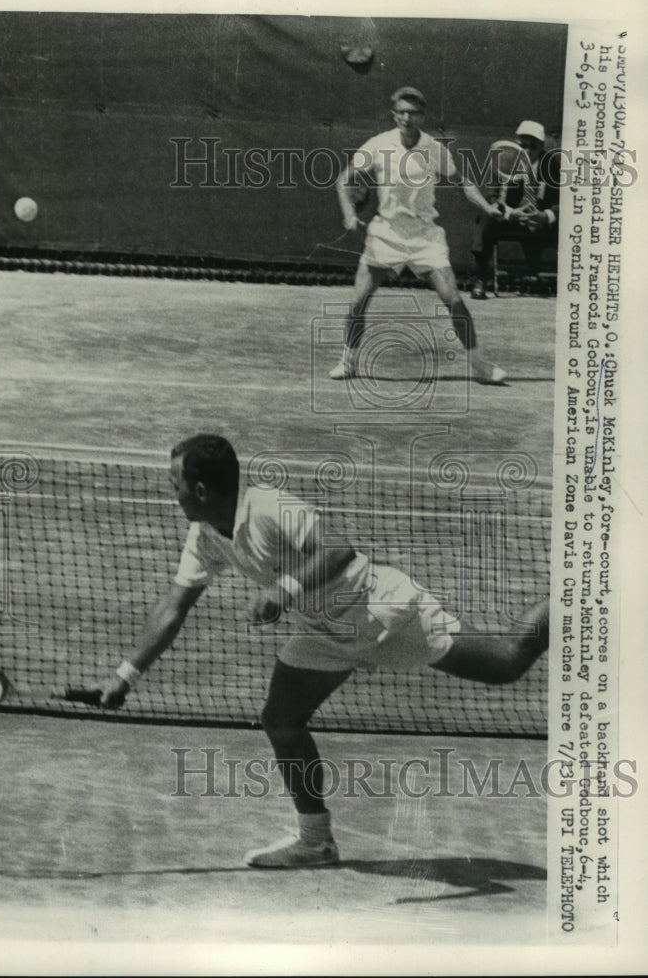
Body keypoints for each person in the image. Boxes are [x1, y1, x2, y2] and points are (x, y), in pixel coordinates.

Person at [100, 434, 549, 869]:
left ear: (200, 489)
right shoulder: (205, 534)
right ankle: (315, 842)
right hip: (324, 635)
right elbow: (174, 606)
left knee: (507, 662)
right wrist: (126, 675)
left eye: (174, 485)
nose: (172, 494)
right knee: (281, 720)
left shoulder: (268, 506)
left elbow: (339, 549)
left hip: (384, 614)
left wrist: (284, 588)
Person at [330, 86, 506, 386]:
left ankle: (480, 367)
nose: (407, 118)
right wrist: (349, 213)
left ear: (422, 116)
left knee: (453, 300)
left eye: (413, 113)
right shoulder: (377, 144)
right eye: (401, 112)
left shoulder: (435, 149)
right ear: (394, 115)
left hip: (425, 236)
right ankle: (347, 362)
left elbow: (462, 182)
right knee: (358, 301)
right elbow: (344, 180)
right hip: (385, 234)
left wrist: (488, 207)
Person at [470, 120, 560, 299]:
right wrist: (511, 214)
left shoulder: (551, 164)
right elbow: (492, 198)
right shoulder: (504, 160)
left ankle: (558, 281)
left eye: (532, 146)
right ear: (515, 144)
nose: (526, 151)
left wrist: (545, 216)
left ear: (541, 146)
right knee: (486, 219)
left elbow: (564, 201)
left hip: (540, 222)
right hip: (510, 220)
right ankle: (480, 279)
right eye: (522, 145)